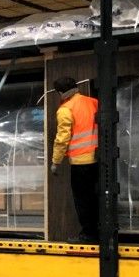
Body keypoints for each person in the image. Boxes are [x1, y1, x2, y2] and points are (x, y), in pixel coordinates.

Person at [50, 76, 99, 243]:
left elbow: (62, 138)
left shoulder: (65, 109)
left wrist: (56, 162)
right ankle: (100, 231)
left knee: (83, 200)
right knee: (96, 197)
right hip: (98, 158)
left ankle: (89, 234)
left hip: (81, 162)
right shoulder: (93, 102)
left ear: (60, 93)